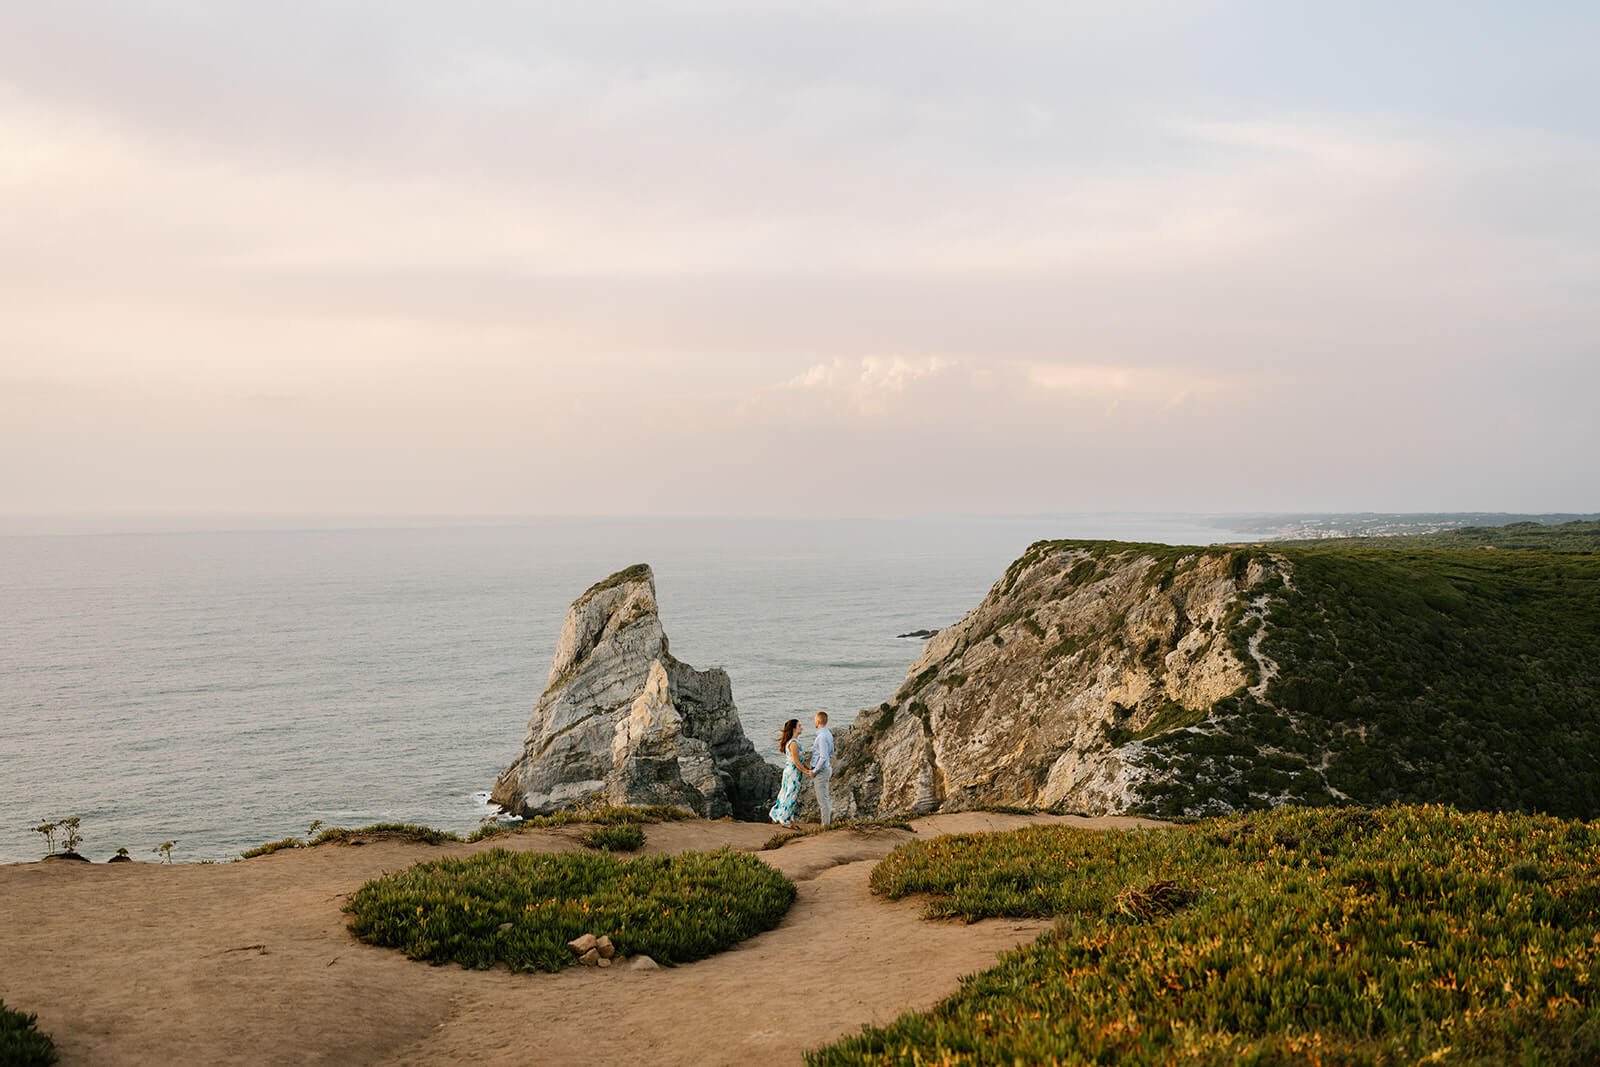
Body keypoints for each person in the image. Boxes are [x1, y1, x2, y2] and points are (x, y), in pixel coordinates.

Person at [768, 718, 807, 826]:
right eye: (799, 726)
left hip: (790, 772)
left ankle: (784, 817)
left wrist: (807, 769)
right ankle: (784, 820)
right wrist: (806, 771)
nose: (801, 727)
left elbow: (799, 761)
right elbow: (796, 761)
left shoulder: (792, 742)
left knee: (786, 794)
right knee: (791, 795)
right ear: (794, 728)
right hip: (793, 773)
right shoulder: (793, 743)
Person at [811, 711, 835, 827]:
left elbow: (823, 757)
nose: (814, 721)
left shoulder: (821, 736)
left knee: (823, 800)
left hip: (821, 771)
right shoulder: (828, 734)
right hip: (826, 768)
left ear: (818, 721)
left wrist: (815, 771)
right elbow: (831, 752)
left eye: (815, 719)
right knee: (825, 798)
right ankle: (826, 824)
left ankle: (825, 826)